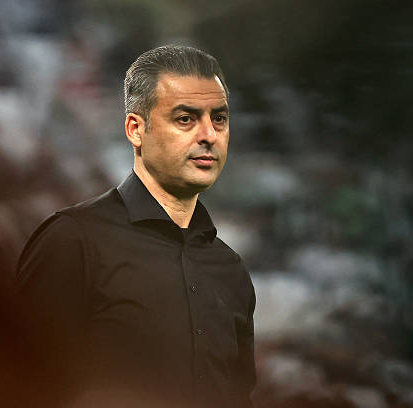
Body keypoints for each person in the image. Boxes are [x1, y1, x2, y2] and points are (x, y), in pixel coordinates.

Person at [15, 45, 256, 408]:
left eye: (219, 118)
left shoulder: (230, 270)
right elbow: (13, 384)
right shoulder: (74, 241)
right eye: (186, 119)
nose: (209, 134)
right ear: (136, 129)